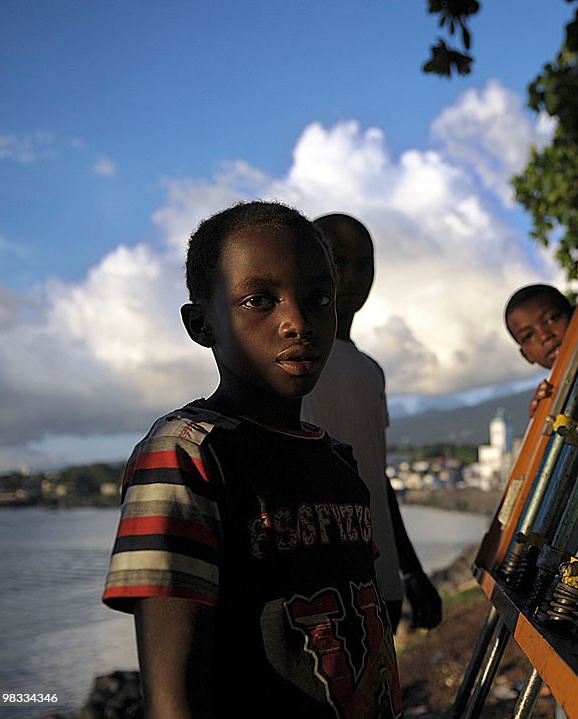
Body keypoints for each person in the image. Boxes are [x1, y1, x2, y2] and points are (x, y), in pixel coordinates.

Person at [102, 201, 401, 718]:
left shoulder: (336, 461)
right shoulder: (185, 456)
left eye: (317, 297)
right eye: (259, 300)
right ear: (202, 324)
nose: (296, 322)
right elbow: (173, 699)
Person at [302, 213, 442, 633]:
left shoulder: (370, 370)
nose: (352, 277)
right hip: (321, 591)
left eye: (365, 264)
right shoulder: (293, 362)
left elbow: (376, 480)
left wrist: (411, 570)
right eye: (337, 262)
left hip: (382, 585)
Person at [504, 284, 573, 416]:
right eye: (528, 336)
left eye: (552, 319)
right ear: (526, 356)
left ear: (575, 313)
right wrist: (541, 419)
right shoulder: (547, 401)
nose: (544, 336)